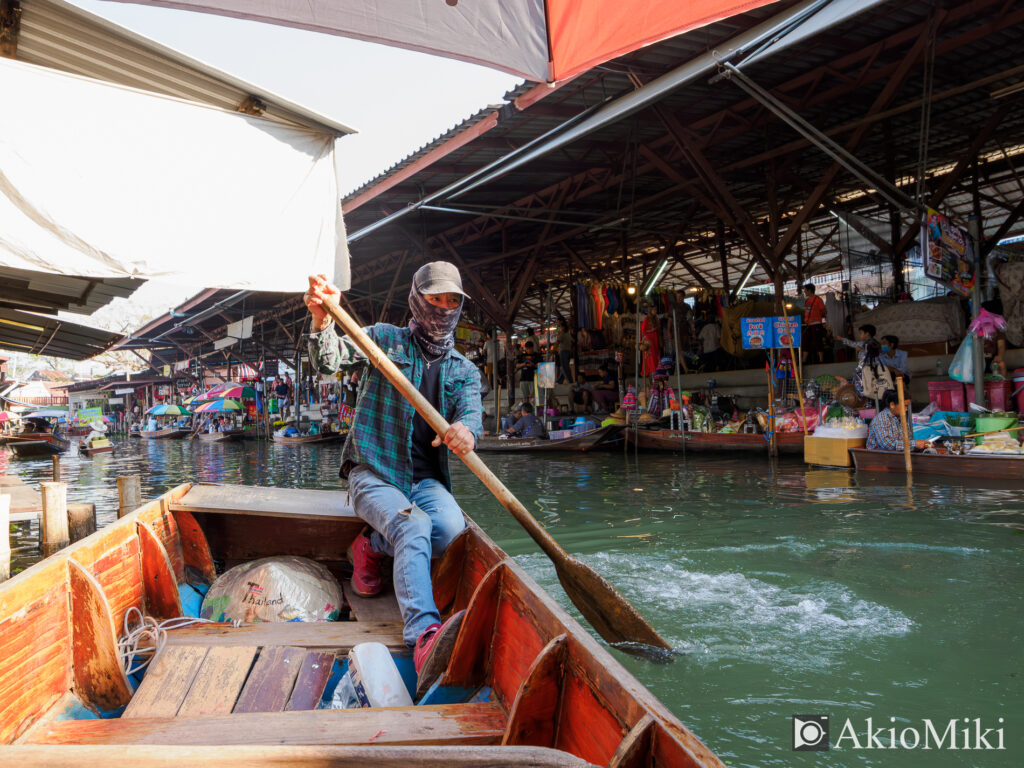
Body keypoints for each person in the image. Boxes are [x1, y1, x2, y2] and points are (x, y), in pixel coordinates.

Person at [304, 261, 482, 694]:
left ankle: (370, 546)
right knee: (413, 523)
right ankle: (424, 636)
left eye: (451, 300)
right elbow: (329, 363)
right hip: (374, 473)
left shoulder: (464, 370)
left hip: (424, 482)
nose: (443, 308)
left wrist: (466, 432)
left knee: (452, 531)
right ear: (417, 301)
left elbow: (472, 414)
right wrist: (322, 317)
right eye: (435, 299)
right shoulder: (384, 339)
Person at [802, 283, 827, 364]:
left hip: (816, 324)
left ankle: (821, 359)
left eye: (805, 290)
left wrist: (820, 317)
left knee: (817, 341)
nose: (804, 292)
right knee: (806, 341)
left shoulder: (818, 300)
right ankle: (804, 360)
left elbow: (824, 311)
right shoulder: (807, 300)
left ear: (809, 290)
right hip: (808, 324)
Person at [640, 304, 661, 377]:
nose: (655, 311)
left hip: (654, 339)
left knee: (655, 355)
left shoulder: (656, 318)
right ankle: (651, 371)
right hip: (649, 340)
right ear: (650, 310)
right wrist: (652, 330)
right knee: (650, 355)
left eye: (656, 310)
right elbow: (643, 330)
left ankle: (655, 371)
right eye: (654, 310)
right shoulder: (646, 319)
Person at [516, 340, 539, 405]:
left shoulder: (537, 355)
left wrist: (533, 365)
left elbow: (540, 365)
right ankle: (526, 410)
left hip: (533, 379)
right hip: (523, 379)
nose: (528, 350)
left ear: (532, 348)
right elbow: (517, 366)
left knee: (533, 396)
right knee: (525, 398)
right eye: (527, 349)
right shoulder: (522, 356)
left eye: (529, 348)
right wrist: (524, 364)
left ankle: (534, 411)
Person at [556, 319, 573, 384]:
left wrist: (553, 349)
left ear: (563, 327)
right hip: (568, 351)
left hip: (563, 352)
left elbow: (557, 342)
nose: (560, 328)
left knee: (565, 367)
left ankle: (570, 381)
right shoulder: (568, 334)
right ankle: (559, 380)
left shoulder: (562, 334)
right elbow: (572, 341)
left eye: (560, 327)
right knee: (563, 367)